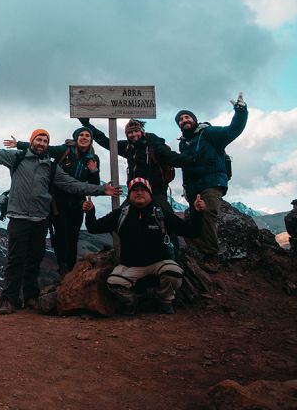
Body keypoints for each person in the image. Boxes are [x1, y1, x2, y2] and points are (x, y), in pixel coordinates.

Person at [0, 121, 119, 314]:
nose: (41, 143)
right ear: (32, 141)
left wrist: (101, 189)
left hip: (40, 219)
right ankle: (9, 300)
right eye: (39, 139)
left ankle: (31, 297)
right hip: (18, 218)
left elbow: (73, 185)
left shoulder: (50, 166)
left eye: (45, 140)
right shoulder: (17, 157)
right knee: (15, 260)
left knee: (34, 260)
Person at [83, 177, 206, 314]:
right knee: (114, 283)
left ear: (150, 194)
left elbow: (192, 232)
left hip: (158, 264)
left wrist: (197, 213)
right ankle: (135, 301)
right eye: (135, 190)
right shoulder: (121, 215)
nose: (139, 193)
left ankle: (165, 299)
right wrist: (90, 212)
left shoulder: (161, 215)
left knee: (174, 273)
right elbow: (94, 228)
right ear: (129, 195)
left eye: (143, 190)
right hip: (130, 266)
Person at [5, 127, 101, 274]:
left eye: (87, 135)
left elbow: (93, 185)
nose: (84, 137)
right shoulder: (65, 150)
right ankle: (63, 268)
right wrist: (19, 144)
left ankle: (70, 269)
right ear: (76, 138)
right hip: (58, 202)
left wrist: (94, 171)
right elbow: (44, 148)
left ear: (91, 139)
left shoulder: (94, 159)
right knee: (61, 234)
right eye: (81, 135)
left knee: (73, 236)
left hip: (77, 202)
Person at [175, 92, 248, 272]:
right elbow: (185, 167)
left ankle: (211, 255)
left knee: (207, 212)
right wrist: (185, 187)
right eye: (180, 119)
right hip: (193, 186)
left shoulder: (208, 132)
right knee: (195, 218)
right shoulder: (184, 143)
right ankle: (199, 249)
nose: (184, 120)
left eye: (187, 117)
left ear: (194, 119)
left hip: (212, 181)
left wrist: (241, 111)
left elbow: (233, 130)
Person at [77, 117, 197, 211]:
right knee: (120, 218)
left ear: (142, 132)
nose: (133, 134)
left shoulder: (154, 144)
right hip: (135, 191)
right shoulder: (128, 147)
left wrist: (194, 160)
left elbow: (172, 158)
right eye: (130, 132)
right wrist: (87, 125)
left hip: (156, 192)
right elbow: (106, 142)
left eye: (136, 131)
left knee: (167, 220)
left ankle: (171, 242)